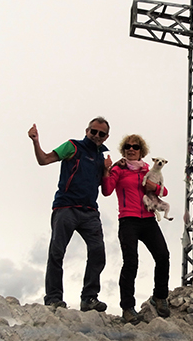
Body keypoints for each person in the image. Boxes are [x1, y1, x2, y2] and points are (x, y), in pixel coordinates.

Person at [28, 117, 112, 312]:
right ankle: (54, 298)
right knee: (57, 253)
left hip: (90, 211)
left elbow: (106, 189)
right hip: (66, 207)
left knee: (98, 253)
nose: (96, 136)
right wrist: (35, 141)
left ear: (106, 136)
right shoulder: (72, 146)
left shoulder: (101, 158)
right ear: (87, 131)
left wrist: (107, 169)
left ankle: (89, 298)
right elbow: (44, 160)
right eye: (93, 131)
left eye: (101, 133)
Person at [102, 134, 170, 325]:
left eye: (135, 147)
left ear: (142, 151)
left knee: (163, 255)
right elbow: (107, 190)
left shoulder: (148, 169)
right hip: (128, 220)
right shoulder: (119, 169)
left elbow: (164, 191)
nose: (131, 149)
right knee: (131, 262)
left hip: (148, 220)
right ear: (123, 150)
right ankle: (127, 308)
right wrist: (107, 170)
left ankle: (159, 297)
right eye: (127, 147)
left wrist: (153, 187)